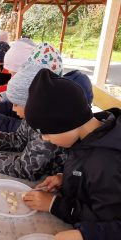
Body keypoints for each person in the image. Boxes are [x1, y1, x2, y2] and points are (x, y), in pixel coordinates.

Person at [23, 68, 121, 240]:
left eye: (47, 133)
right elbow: (88, 176)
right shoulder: (88, 138)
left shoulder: (106, 162)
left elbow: (105, 222)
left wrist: (54, 205)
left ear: (67, 123)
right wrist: (66, 179)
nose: (45, 139)